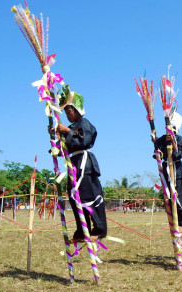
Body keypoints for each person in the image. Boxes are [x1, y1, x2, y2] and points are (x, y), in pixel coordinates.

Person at [50, 85, 107, 243]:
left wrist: (67, 132)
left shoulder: (85, 123)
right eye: (66, 113)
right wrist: (56, 136)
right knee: (75, 198)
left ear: (77, 110)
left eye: (70, 112)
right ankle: (83, 230)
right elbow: (64, 148)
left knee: (90, 196)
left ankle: (100, 229)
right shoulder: (71, 127)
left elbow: (86, 140)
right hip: (73, 165)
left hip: (85, 164)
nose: (68, 115)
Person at [153, 111, 182, 233]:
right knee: (168, 197)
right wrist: (155, 142)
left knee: (179, 196)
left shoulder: (180, 139)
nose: (170, 130)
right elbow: (157, 153)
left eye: (173, 128)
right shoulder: (163, 139)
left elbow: (179, 154)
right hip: (165, 171)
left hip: (176, 170)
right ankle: (174, 221)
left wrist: (173, 143)